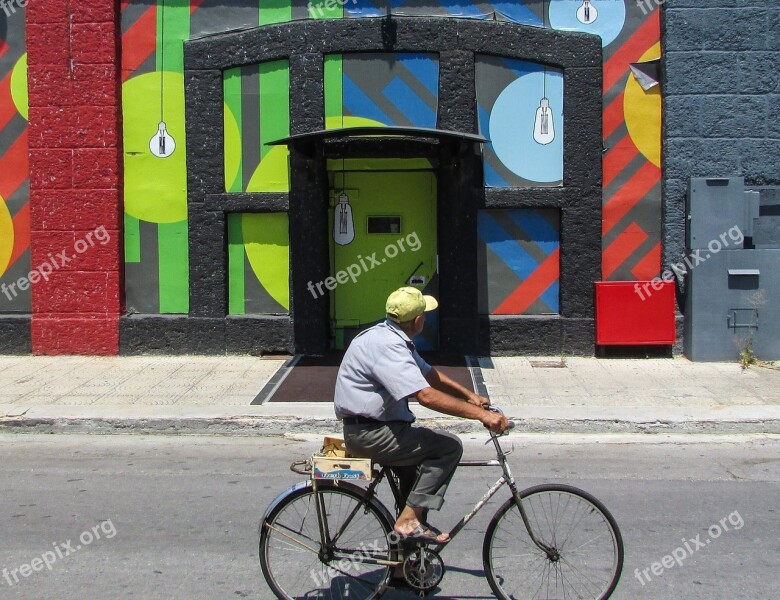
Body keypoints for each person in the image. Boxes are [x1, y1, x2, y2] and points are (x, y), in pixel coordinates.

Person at [334, 286, 509, 543]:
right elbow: (425, 395)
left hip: (380, 428)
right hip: (371, 434)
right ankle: (408, 521)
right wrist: (480, 416)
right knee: (448, 447)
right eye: (424, 315)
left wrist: (469, 395)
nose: (425, 319)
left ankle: (401, 566)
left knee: (413, 489)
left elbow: (428, 373)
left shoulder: (390, 336)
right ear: (417, 320)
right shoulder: (388, 346)